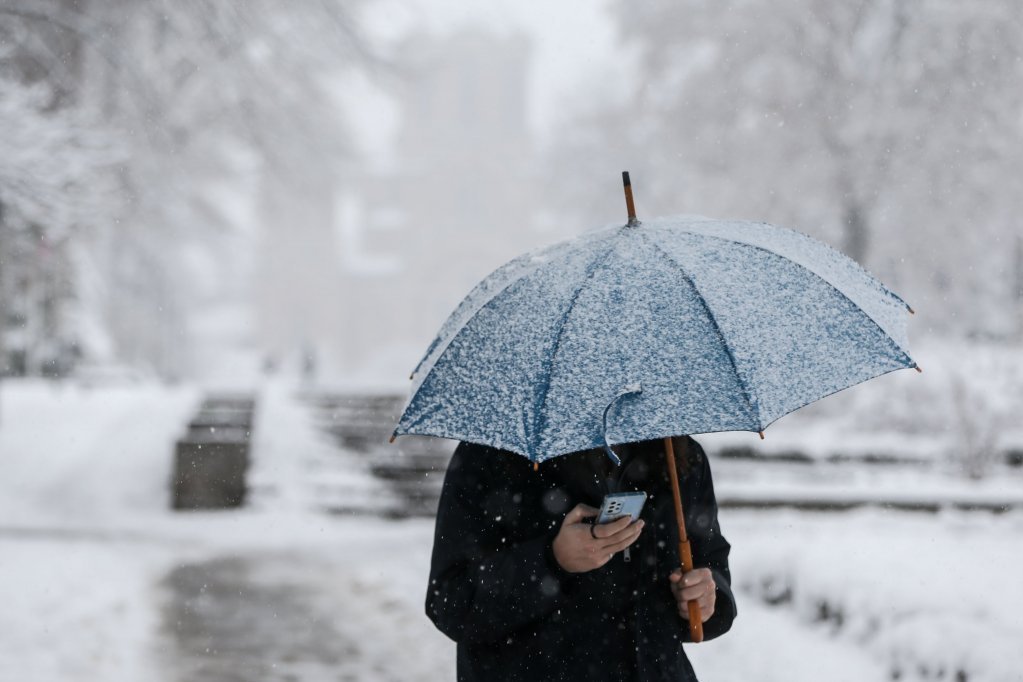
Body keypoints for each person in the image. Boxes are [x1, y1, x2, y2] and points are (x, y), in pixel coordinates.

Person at [426, 435, 736, 681]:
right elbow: (451, 602)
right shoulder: (492, 454)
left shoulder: (677, 453)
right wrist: (552, 560)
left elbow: (709, 559)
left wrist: (707, 595)